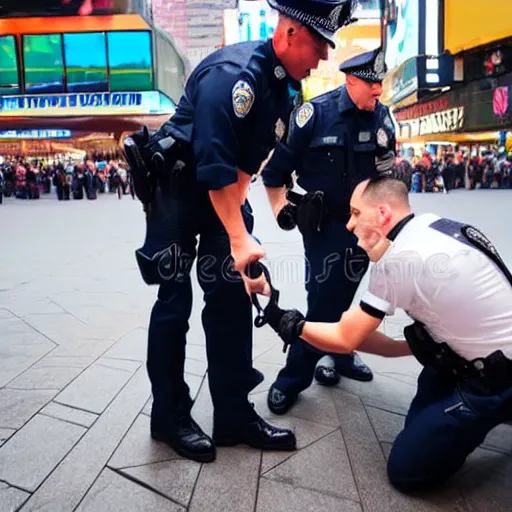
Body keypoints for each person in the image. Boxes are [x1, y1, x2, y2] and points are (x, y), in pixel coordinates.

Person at [123, 0, 356, 463]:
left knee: (231, 295)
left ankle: (232, 415)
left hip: (221, 192)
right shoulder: (235, 78)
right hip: (177, 189)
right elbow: (213, 171)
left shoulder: (287, 91)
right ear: (290, 34)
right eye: (318, 44)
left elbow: (243, 171)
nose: (325, 57)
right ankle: (168, 415)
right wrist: (237, 237)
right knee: (175, 301)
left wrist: (242, 248)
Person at [263, 176, 512, 492]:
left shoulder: (398, 258)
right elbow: (363, 339)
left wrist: (285, 321)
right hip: (463, 359)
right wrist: (413, 347)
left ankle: (495, 411)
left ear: (381, 214)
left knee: (407, 471)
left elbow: (345, 339)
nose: (349, 225)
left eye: (355, 213)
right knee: (417, 427)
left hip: (493, 380)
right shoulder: (430, 225)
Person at [262, 47, 396, 414]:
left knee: (346, 291)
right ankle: (292, 379)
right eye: (372, 83)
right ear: (351, 81)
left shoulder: (382, 118)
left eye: (381, 82)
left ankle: (340, 352)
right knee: (323, 302)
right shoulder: (313, 115)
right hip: (324, 226)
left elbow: (388, 175)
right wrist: (281, 209)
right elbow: (274, 174)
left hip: (364, 230)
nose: (379, 90)